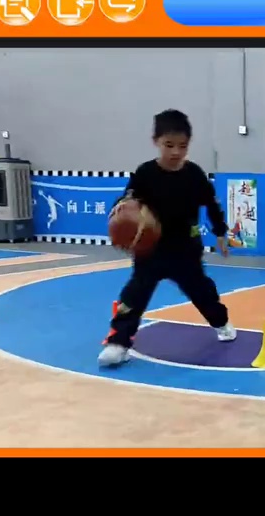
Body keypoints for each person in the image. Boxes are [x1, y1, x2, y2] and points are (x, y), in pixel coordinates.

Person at [98, 109, 236, 367]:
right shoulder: (145, 173)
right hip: (150, 250)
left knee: (202, 292)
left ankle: (221, 322)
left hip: (185, 249)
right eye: (169, 145)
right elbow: (127, 199)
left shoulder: (194, 174)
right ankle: (118, 343)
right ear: (156, 142)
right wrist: (123, 213)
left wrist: (220, 232)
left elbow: (211, 203)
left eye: (182, 146)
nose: (175, 152)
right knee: (134, 294)